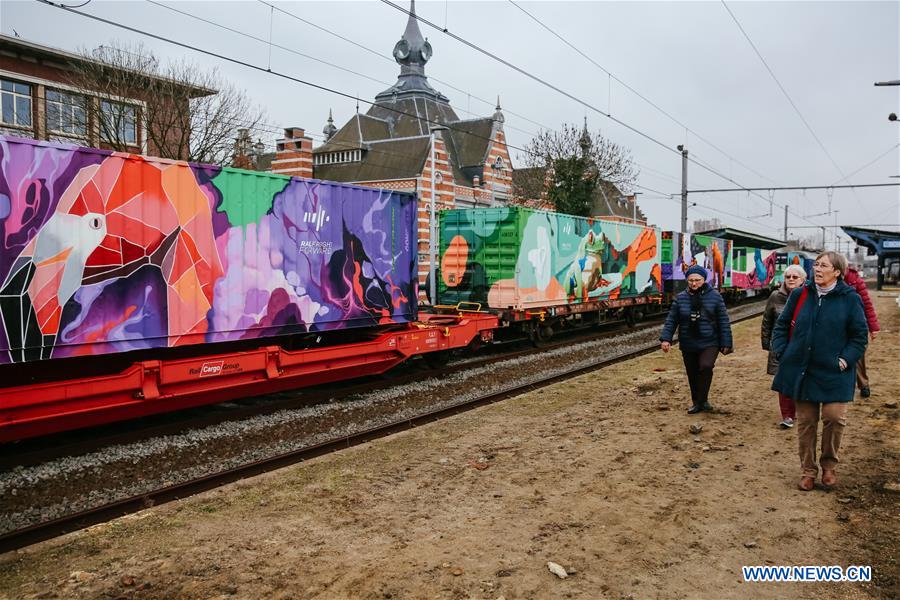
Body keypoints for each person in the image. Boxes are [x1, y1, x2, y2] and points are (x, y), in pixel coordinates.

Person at [770, 251, 868, 491]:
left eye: (823, 265)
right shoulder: (801, 294)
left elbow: (859, 336)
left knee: (834, 418)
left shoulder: (850, 299)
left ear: (837, 272)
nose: (817, 269)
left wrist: (844, 361)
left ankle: (829, 465)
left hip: (835, 371)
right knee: (806, 422)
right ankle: (808, 470)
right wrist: (782, 351)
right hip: (804, 370)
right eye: (816, 264)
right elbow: (781, 326)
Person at [660, 264, 734, 414]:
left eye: (697, 280)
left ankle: (703, 400)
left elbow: (723, 321)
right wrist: (666, 339)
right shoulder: (681, 298)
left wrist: (726, 342)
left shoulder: (715, 296)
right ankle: (698, 403)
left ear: (704, 280)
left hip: (710, 341)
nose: (694, 283)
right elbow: (672, 320)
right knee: (692, 373)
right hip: (688, 341)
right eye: (691, 280)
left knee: (706, 366)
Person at [761, 264, 807, 428]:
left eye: (795, 277)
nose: (791, 279)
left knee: (801, 379)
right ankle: (787, 415)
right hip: (782, 346)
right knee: (783, 380)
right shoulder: (775, 296)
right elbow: (767, 321)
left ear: (803, 280)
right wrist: (767, 344)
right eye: (788, 277)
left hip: (802, 346)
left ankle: (801, 410)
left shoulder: (809, 296)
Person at [843, 266, 880, 397]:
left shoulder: (856, 281)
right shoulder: (827, 280)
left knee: (857, 355)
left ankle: (863, 384)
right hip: (836, 323)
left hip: (855, 324)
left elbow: (867, 305)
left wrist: (873, 327)